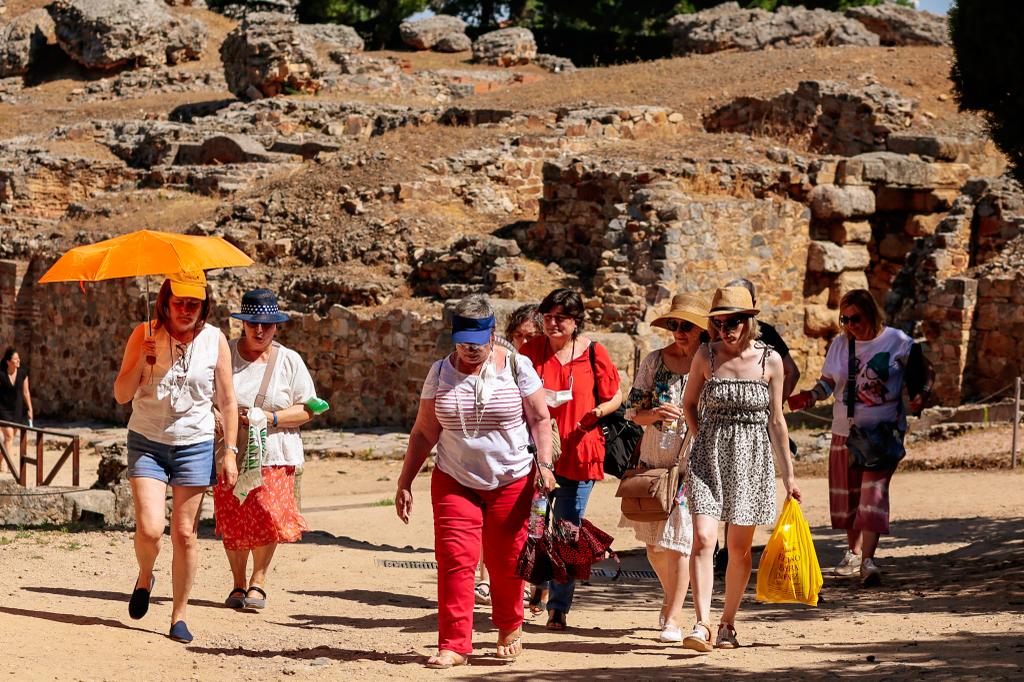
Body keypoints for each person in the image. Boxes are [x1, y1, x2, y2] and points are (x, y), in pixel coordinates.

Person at [395, 294, 556, 669]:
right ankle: (454, 643)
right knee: (455, 560)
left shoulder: (517, 366)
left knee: (504, 561)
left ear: (492, 334)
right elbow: (423, 432)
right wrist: (405, 481)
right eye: (463, 343)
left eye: (478, 344)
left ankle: (509, 624)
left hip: (510, 478)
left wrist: (545, 464)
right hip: (454, 478)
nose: (470, 350)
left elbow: (539, 419)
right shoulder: (439, 372)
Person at [113, 270, 238, 644]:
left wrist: (229, 452)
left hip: (195, 443)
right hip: (148, 440)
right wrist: (142, 363)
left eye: (193, 303)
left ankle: (179, 615)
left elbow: (228, 401)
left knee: (185, 534)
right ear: (165, 302)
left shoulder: (215, 341)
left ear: (204, 306)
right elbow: (121, 394)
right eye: (179, 302)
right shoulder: (144, 333)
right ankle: (145, 575)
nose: (185, 310)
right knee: (151, 529)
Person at [681, 286, 801, 652]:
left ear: (750, 321)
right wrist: (702, 439)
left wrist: (789, 475)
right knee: (702, 539)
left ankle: (727, 623)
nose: (725, 330)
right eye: (718, 323)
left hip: (752, 461)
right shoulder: (705, 355)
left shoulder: (771, 361)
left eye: (733, 322)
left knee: (739, 548)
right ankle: (701, 624)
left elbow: (777, 421)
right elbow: (689, 405)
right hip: (708, 458)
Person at [788, 289, 929, 587]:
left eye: (856, 318)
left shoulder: (898, 342)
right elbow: (828, 383)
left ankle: (868, 559)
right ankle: (853, 553)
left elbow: (919, 376)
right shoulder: (841, 345)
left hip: (882, 433)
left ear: (871, 314)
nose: (851, 325)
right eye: (845, 319)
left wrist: (918, 397)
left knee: (872, 496)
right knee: (849, 497)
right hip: (845, 432)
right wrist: (811, 396)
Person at [520, 288, 623, 631]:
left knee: (567, 528)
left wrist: (598, 411)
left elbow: (615, 396)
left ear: (576, 321)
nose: (551, 324)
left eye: (559, 318)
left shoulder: (594, 352)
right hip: (535, 453)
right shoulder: (531, 351)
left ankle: (558, 607)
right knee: (534, 526)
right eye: (546, 317)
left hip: (580, 452)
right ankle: (537, 587)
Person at [213, 289, 319, 610]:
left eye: (267, 325)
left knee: (268, 514)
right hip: (231, 449)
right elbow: (206, 395)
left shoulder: (289, 361)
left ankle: (259, 580)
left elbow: (308, 408)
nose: (259, 331)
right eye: (253, 324)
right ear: (242, 324)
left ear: (276, 326)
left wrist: (271, 417)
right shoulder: (225, 356)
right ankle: (237, 582)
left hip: (273, 451)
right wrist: (218, 416)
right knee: (233, 516)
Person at [621, 293, 708, 643]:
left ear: (702, 329)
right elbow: (632, 412)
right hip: (655, 466)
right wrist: (654, 414)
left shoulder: (713, 363)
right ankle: (672, 596)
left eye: (686, 326)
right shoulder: (655, 361)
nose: (678, 332)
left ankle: (672, 618)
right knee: (655, 548)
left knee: (680, 543)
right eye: (674, 324)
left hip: (693, 465)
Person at [717, 278, 802, 573]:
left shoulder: (767, 340)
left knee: (737, 490)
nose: (726, 327)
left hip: (749, 427)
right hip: (724, 429)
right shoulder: (713, 341)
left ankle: (727, 551)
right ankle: (722, 551)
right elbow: (795, 371)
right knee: (733, 490)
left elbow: (790, 371)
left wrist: (771, 403)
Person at [479, 302, 544, 607]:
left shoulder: (544, 362)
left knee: (536, 521)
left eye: (531, 336)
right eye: (519, 335)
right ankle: (485, 579)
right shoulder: (504, 364)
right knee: (489, 521)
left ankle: (534, 583)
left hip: (541, 452)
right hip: (506, 456)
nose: (524, 342)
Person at [0, 347, 33, 473]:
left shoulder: (23, 373)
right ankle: (11, 470)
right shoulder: (1, 374)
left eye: (19, 358)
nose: (18, 361)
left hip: (17, 410)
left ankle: (0, 461)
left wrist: (30, 409)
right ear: (8, 361)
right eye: (15, 359)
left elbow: (26, 392)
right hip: (3, 409)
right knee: (8, 436)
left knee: (10, 438)